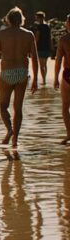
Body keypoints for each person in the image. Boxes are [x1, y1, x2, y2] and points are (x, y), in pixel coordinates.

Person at [0, 7, 39, 148]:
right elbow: (34, 58)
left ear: (8, 19)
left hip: (7, 73)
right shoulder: (29, 35)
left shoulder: (2, 34)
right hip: (22, 73)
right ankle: (15, 140)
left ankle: (9, 130)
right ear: (21, 19)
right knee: (18, 108)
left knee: (3, 107)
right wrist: (36, 79)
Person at [54, 15, 70, 145]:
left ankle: (69, 134)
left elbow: (58, 60)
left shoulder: (64, 40)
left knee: (65, 106)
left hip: (68, 74)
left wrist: (55, 78)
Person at [32, 11, 52, 84]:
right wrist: (51, 46)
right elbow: (50, 37)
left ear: (39, 18)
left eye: (36, 18)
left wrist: (34, 46)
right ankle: (44, 79)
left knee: (41, 65)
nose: (36, 19)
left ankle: (44, 80)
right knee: (45, 64)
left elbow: (37, 37)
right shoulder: (47, 26)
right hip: (46, 47)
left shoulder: (39, 27)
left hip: (40, 47)